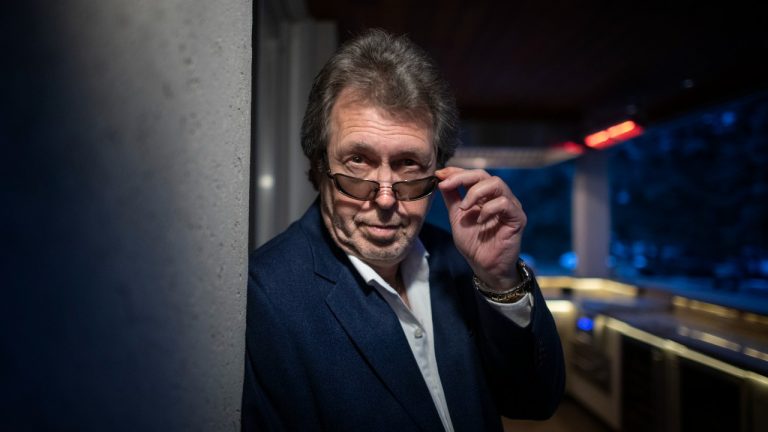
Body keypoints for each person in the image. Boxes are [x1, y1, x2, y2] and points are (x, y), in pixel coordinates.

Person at [242, 29, 565, 432]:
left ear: (441, 172)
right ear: (318, 166)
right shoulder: (266, 294)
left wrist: (499, 281)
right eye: (358, 160)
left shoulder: (464, 261)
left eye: (409, 163)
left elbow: (534, 401)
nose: (384, 198)